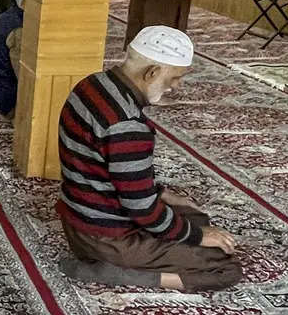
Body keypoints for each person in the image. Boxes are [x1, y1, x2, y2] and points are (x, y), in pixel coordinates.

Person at [57, 26, 240, 291]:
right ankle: (115, 272)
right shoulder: (127, 125)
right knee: (224, 266)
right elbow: (141, 209)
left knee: (195, 216)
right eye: (174, 78)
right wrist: (197, 237)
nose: (176, 87)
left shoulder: (92, 84)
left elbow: (109, 169)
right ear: (151, 72)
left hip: (78, 218)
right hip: (108, 238)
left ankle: (123, 257)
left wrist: (163, 195)